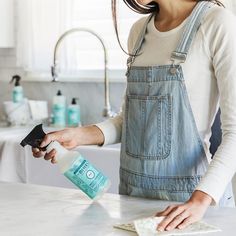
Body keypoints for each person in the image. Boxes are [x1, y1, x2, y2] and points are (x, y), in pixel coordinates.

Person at [33, 0, 236, 232]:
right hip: (134, 201)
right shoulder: (139, 31)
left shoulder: (217, 23)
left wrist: (198, 202)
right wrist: (77, 136)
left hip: (193, 206)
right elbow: (128, 120)